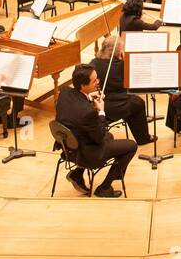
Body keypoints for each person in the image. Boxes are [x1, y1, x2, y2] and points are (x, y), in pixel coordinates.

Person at [55, 64, 138, 196]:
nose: (98, 82)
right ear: (83, 85)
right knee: (131, 146)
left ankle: (78, 173)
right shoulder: (87, 113)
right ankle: (104, 188)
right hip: (87, 153)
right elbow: (99, 136)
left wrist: (88, 98)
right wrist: (101, 111)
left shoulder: (64, 92)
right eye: (94, 80)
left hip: (68, 147)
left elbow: (78, 109)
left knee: (109, 136)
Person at [91, 36, 156, 145]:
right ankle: (143, 138)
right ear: (118, 51)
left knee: (133, 103)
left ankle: (136, 128)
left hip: (98, 101)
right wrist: (125, 60)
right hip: (112, 104)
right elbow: (132, 85)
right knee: (138, 103)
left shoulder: (93, 62)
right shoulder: (121, 65)